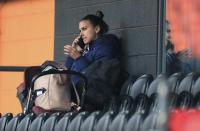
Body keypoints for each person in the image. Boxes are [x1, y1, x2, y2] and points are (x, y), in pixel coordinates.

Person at [64, 11, 121, 111]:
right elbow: (66, 71)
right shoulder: (87, 49)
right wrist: (73, 52)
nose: (81, 34)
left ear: (97, 29)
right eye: (80, 30)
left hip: (89, 100)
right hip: (71, 94)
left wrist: (78, 58)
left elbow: (95, 77)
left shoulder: (106, 46)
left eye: (84, 29)